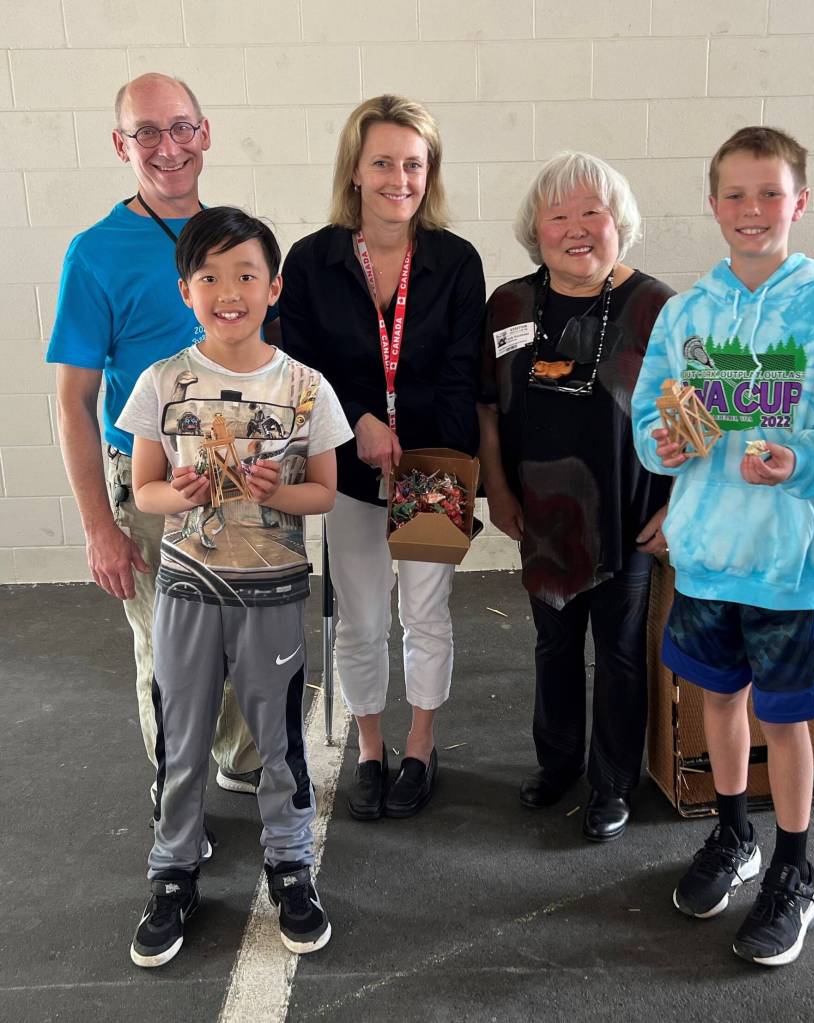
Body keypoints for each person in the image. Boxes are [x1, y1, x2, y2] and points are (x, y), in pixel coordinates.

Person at [631, 126, 814, 966]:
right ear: (713, 205)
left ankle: (793, 867)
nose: (752, 210)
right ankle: (734, 835)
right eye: (735, 194)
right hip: (707, 555)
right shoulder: (685, 313)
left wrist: (804, 458)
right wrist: (659, 447)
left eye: (769, 193)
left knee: (788, 719)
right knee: (721, 701)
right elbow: (646, 421)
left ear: (800, 202)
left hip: (789, 563)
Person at [118, 207, 353, 966]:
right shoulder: (163, 381)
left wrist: (274, 492)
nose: (230, 290)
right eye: (211, 276)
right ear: (186, 290)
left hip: (274, 595)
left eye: (247, 274)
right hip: (187, 592)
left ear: (274, 286)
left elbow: (323, 491)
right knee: (180, 739)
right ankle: (172, 873)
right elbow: (146, 488)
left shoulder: (306, 385)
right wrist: (180, 495)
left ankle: (290, 866)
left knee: (280, 743)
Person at [45, 73, 261, 804]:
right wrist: (99, 527)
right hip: (146, 480)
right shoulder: (95, 252)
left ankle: (238, 753)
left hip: (235, 474)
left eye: (180, 128)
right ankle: (179, 798)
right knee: (172, 651)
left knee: (239, 633)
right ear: (120, 144)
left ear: (205, 132)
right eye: (147, 132)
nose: (167, 148)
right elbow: (73, 401)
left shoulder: (238, 236)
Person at [279, 94, 485, 821]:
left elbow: (465, 370)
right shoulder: (311, 260)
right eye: (384, 163)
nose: (400, 177)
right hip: (348, 465)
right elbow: (297, 366)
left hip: (431, 467)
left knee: (425, 614)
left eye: (414, 163)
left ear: (430, 173)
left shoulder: (457, 261)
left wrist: (434, 463)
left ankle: (421, 744)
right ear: (355, 171)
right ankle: (370, 746)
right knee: (361, 616)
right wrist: (358, 419)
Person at [477, 152, 675, 842]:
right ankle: (557, 762)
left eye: (593, 211)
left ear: (619, 221)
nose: (576, 227)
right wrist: (496, 488)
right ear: (537, 229)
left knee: (620, 652)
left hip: (628, 511)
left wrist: (675, 505)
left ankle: (613, 783)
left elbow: (695, 417)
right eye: (558, 214)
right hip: (542, 514)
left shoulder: (659, 306)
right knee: (552, 644)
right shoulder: (508, 304)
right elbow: (486, 408)